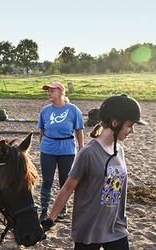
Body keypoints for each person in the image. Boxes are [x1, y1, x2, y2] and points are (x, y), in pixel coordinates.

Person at [41, 94, 147, 250]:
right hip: (89, 227)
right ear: (115, 122)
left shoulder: (120, 151)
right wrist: (50, 220)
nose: (132, 131)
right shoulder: (88, 153)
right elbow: (68, 187)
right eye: (130, 125)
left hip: (115, 226)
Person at [38, 82, 85, 221]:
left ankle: (61, 209)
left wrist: (81, 148)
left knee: (65, 181)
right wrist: (43, 146)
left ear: (60, 93)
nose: (49, 93)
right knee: (47, 180)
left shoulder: (73, 110)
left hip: (67, 149)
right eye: (48, 91)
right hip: (48, 149)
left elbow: (79, 130)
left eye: (52, 91)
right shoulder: (45, 111)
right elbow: (42, 131)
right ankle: (44, 210)